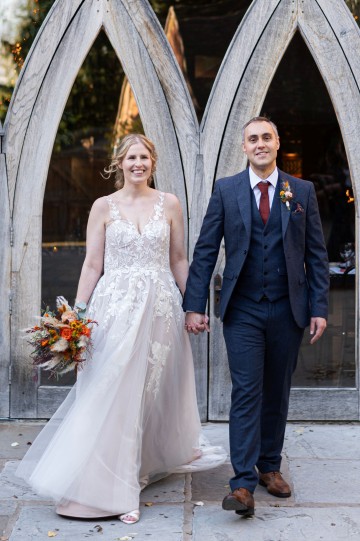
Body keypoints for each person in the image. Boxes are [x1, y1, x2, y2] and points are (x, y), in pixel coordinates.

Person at [17, 133, 225, 525]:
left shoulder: (171, 204)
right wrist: (74, 318)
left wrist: (194, 306)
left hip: (161, 308)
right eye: (131, 157)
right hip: (114, 308)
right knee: (112, 390)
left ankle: (138, 467)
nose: (138, 164)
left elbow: (180, 259)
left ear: (153, 162)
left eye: (144, 157)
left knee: (147, 391)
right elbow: (92, 264)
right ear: (119, 163)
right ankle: (115, 483)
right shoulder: (102, 206)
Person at [183, 117, 329, 517]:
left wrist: (319, 307)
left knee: (276, 390)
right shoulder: (226, 190)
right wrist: (194, 304)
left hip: (288, 307)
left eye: (267, 137)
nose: (260, 144)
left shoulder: (301, 191)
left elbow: (316, 254)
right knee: (247, 391)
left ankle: (270, 467)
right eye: (253, 139)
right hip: (243, 307)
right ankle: (243, 484)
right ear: (243, 147)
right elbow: (206, 249)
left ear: (278, 143)